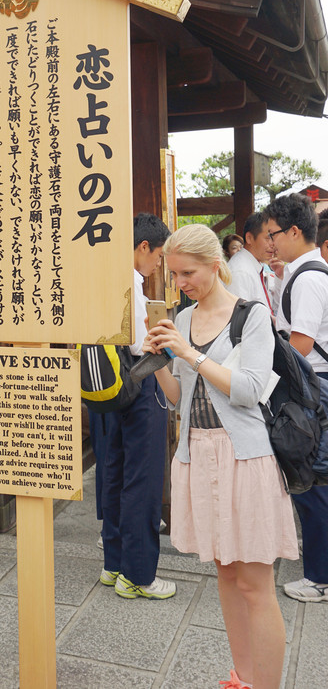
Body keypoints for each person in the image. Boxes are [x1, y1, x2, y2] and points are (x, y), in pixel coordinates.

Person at [143, 223, 298, 689]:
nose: (180, 284)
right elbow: (177, 398)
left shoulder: (249, 315)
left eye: (187, 273)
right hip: (199, 453)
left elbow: (250, 389)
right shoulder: (183, 318)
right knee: (226, 578)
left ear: (216, 265)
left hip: (244, 458)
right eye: (174, 276)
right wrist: (156, 362)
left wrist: (189, 354)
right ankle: (242, 678)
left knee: (255, 584)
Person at [99, 212, 176, 599]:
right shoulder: (130, 281)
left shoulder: (102, 274)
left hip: (114, 386)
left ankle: (114, 564)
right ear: (143, 247)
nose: (158, 264)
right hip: (142, 382)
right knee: (142, 480)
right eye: (159, 255)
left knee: (115, 472)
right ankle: (139, 575)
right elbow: (138, 344)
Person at [263, 193, 328, 603]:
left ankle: (319, 576)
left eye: (273, 234)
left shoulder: (307, 279)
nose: (270, 242)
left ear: (294, 231)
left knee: (313, 477)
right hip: (317, 383)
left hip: (315, 386)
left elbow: (300, 343)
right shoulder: (306, 273)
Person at [228, 213, 277, 313]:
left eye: (274, 238)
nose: (273, 244)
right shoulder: (240, 271)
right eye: (268, 238)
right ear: (249, 238)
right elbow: (240, 318)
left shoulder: (255, 266)